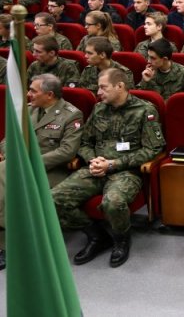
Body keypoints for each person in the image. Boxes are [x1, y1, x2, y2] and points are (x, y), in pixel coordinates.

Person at [52, 68, 164, 267]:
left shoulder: (145, 110)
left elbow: (152, 150)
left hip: (126, 171)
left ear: (120, 86)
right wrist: (93, 160)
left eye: (103, 87)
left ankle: (121, 239)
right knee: (53, 199)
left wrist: (113, 164)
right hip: (95, 168)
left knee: (113, 202)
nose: (99, 92)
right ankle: (96, 235)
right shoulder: (99, 109)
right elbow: (85, 142)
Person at [0, 74, 84, 269]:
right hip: (18, 164)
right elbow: (8, 138)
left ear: (49, 94)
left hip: (50, 170)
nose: (28, 94)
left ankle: (5, 245)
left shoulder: (71, 114)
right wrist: (8, 152)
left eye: (33, 91)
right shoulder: (28, 111)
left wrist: (30, 162)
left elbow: (67, 151)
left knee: (5, 178)